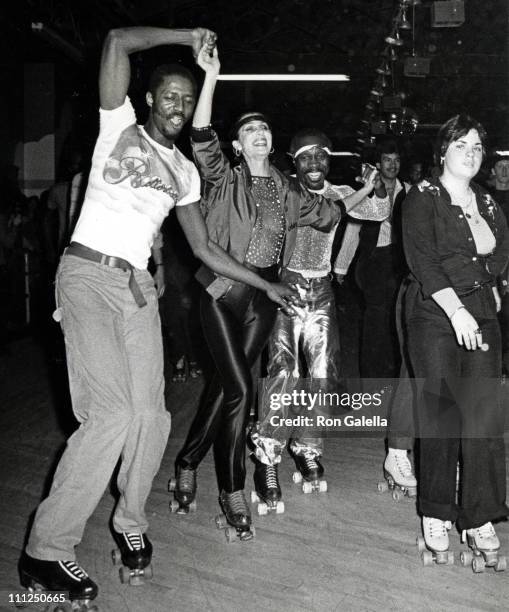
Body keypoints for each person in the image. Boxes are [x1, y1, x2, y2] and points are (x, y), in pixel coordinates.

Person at [18, 26, 295, 605]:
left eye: (187, 99)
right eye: (169, 95)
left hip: (138, 288)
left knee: (153, 414)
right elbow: (116, 40)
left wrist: (264, 283)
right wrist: (185, 37)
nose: (178, 106)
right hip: (87, 276)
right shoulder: (117, 125)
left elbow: (206, 251)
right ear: (149, 97)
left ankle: (130, 520)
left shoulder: (187, 173)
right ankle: (45, 552)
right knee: (111, 415)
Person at [172, 46, 345, 538]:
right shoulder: (224, 177)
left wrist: (341, 199)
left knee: (227, 387)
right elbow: (200, 134)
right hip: (223, 291)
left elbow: (325, 215)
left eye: (264, 128)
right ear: (237, 143)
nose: (259, 133)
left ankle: (187, 461)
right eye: (249, 129)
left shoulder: (289, 188)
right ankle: (232, 486)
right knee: (243, 389)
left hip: (264, 300)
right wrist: (211, 76)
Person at [249, 128, 390, 507]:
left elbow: (380, 210)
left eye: (322, 157)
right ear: (294, 162)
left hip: (322, 291)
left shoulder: (340, 193)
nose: (315, 164)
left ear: (330, 161)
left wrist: (373, 184)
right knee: (284, 372)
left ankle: (308, 446)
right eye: (306, 157)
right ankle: (267, 456)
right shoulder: (285, 193)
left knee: (324, 373)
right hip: (287, 289)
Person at [401, 115, 509, 562]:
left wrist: (491, 286)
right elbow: (424, 260)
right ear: (442, 151)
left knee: (481, 414)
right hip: (434, 312)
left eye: (478, 147)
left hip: (481, 310)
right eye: (461, 144)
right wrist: (458, 308)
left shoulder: (486, 201)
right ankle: (437, 509)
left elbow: (501, 250)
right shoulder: (421, 198)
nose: (470, 152)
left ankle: (479, 512)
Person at [335, 141, 416, 492]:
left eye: (397, 160)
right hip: (373, 264)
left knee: (396, 331)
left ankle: (391, 396)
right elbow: (353, 228)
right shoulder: (364, 190)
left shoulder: (410, 192)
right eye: (387, 159)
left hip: (400, 266)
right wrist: (340, 265)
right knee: (375, 328)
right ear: (378, 163)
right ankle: (370, 394)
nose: (392, 165)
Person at [488, 153, 509, 373]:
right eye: (500, 166)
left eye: (508, 166)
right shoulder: (485, 198)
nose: (504, 170)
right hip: (491, 267)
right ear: (493, 170)